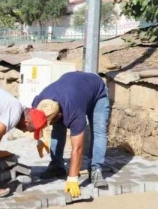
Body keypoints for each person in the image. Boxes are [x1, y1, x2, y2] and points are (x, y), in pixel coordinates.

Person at [32, 71, 110, 199]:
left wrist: (73, 178)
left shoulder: (74, 112)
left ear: (60, 114)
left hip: (97, 92)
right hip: (73, 88)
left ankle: (96, 169)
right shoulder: (40, 102)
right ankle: (57, 166)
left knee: (98, 130)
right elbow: (35, 121)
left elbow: (77, 148)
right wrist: (39, 139)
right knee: (58, 127)